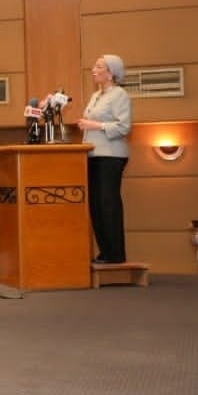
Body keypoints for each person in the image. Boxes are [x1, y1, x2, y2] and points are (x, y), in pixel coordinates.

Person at [77, 53, 133, 265]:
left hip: (111, 156)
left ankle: (116, 254)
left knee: (108, 204)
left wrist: (96, 125)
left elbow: (124, 127)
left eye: (99, 66)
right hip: (93, 154)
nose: (93, 70)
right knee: (96, 205)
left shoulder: (119, 95)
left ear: (111, 73)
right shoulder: (96, 96)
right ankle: (105, 252)